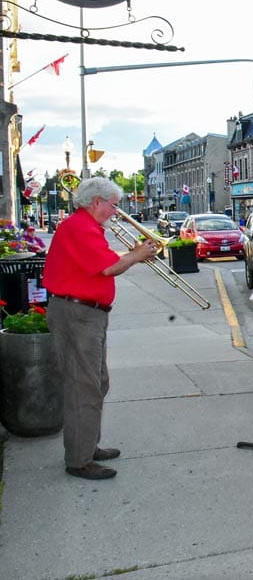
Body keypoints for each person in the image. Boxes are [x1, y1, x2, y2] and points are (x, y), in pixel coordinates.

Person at [42, 177, 159, 480]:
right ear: (97, 202)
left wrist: (133, 256)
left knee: (96, 382)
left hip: (85, 314)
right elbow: (108, 268)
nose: (116, 212)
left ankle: (86, 445)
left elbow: (104, 263)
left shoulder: (86, 228)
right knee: (84, 386)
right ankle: (79, 460)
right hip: (77, 314)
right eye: (113, 205)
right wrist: (136, 256)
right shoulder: (79, 228)